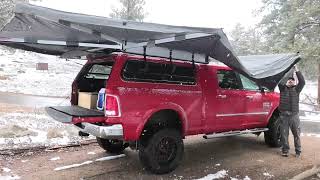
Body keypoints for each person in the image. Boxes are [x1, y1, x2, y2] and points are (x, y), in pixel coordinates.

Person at [278, 65, 305, 157]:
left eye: (292, 80)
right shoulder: (282, 88)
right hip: (283, 116)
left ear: (294, 82)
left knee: (296, 134)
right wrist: (289, 70)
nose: (290, 81)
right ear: (286, 82)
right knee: (284, 135)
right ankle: (285, 150)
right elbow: (281, 81)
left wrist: (296, 70)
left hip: (294, 116)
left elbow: (302, 81)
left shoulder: (297, 89)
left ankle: (298, 151)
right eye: (289, 80)